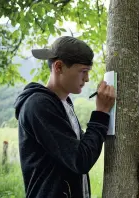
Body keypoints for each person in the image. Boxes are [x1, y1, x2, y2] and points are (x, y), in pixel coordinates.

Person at [14, 36, 115, 198]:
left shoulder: (64, 103)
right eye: (83, 71)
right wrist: (101, 113)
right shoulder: (39, 105)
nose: (87, 79)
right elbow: (80, 160)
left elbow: (81, 149)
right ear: (59, 67)